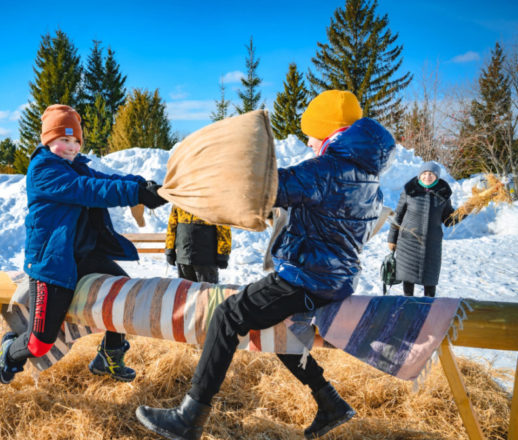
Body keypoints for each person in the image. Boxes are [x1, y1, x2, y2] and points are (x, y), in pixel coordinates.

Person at [136, 90, 396, 440]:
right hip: (337, 279)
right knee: (273, 327)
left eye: (311, 134)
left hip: (306, 278)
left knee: (229, 315)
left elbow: (267, 187)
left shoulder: (325, 170)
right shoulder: (369, 178)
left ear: (330, 133)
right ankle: (330, 401)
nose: (306, 141)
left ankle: (189, 417)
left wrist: (218, 171)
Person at [0, 104, 168, 385]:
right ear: (48, 140)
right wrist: (134, 193)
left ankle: (108, 357)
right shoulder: (44, 171)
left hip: (82, 257)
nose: (71, 146)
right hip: (53, 263)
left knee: (123, 295)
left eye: (76, 140)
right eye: (64, 139)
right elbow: (89, 191)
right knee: (40, 343)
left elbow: (107, 180)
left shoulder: (76, 167)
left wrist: (145, 186)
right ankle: (10, 352)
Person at [387, 162, 463, 297]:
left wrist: (465, 211)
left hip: (431, 244)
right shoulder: (409, 191)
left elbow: (448, 220)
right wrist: (392, 239)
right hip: (408, 242)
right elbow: (398, 216)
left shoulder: (443, 194)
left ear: (437, 177)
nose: (427, 176)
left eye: (431, 174)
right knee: (407, 278)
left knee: (430, 279)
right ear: (420, 175)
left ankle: (429, 308)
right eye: (424, 173)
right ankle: (408, 305)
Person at [165, 205, 232, 283]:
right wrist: (169, 250)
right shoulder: (180, 199)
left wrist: (223, 254)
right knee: (192, 292)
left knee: (202, 292)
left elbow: (223, 227)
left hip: (202, 257)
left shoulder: (213, 199)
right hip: (189, 256)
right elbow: (172, 225)